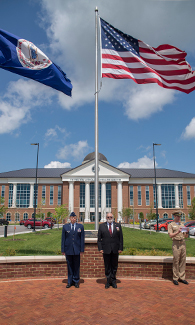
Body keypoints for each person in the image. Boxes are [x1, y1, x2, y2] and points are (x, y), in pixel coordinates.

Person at [98, 212, 123, 289]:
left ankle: (114, 281)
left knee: (114, 266)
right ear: (106, 218)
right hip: (106, 250)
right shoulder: (102, 226)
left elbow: (120, 238)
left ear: (113, 218)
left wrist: (120, 248)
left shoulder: (117, 226)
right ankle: (108, 281)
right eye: (108, 217)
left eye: (111, 217)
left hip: (115, 249)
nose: (109, 219)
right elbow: (99, 239)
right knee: (107, 266)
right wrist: (100, 248)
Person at [61, 212, 84, 288]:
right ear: (70, 218)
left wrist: (81, 250)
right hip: (68, 250)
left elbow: (82, 239)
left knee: (76, 266)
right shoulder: (65, 227)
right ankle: (70, 281)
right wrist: (63, 250)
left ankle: (76, 281)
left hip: (77, 250)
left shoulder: (80, 226)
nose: (73, 219)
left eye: (74, 218)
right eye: (72, 218)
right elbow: (63, 239)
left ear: (76, 218)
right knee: (69, 266)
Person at [168, 211, 189, 286]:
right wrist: (177, 232)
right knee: (176, 260)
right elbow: (170, 235)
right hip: (176, 243)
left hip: (183, 243)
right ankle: (175, 278)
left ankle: (182, 277)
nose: (179, 218)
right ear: (174, 216)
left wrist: (187, 232)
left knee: (183, 260)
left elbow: (186, 236)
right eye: (177, 216)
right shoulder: (171, 225)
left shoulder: (182, 224)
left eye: (179, 216)